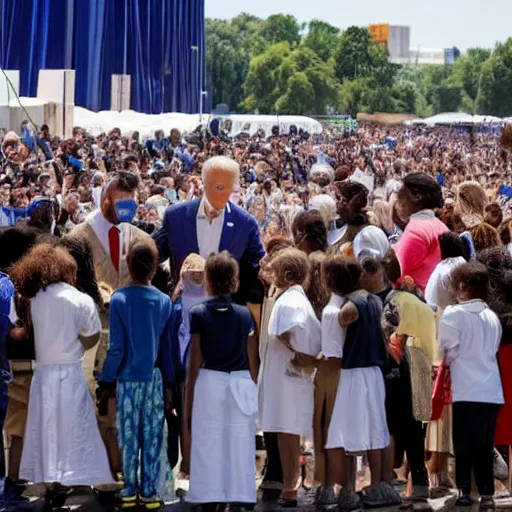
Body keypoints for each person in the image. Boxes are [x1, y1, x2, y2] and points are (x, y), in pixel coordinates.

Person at [67, 170, 154, 477]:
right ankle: (100, 470)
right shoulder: (78, 239)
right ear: (106, 200)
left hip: (132, 337)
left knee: (128, 405)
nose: (128, 207)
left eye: (132, 200)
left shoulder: (140, 239)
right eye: (121, 201)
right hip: (94, 334)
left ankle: (127, 469)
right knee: (98, 402)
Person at [8, 243, 113, 485]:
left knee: (47, 430)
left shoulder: (36, 300)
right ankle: (69, 478)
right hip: (69, 371)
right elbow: (93, 335)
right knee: (73, 428)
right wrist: (76, 343)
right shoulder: (80, 299)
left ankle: (49, 478)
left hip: (43, 374)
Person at [100, 239, 173, 509]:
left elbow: (116, 348)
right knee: (152, 434)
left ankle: (129, 489)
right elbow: (166, 347)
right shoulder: (164, 301)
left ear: (128, 266)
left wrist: (106, 378)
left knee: (129, 435)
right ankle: (150, 491)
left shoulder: (118, 299)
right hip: (154, 378)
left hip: (127, 380)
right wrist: (169, 385)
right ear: (154, 267)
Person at [184, 252, 259, 512]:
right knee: (239, 440)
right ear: (234, 281)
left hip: (210, 380)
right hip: (240, 381)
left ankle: (209, 494)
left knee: (208, 440)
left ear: (209, 281)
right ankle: (240, 494)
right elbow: (252, 359)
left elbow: (195, 360)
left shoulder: (198, 313)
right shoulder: (245, 314)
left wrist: (189, 397)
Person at [154, 156, 265, 310]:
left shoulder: (245, 223)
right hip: (183, 312)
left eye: (229, 187)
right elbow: (152, 256)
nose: (225, 193)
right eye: (219, 187)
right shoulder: (176, 216)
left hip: (224, 315)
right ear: (205, 183)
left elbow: (257, 266)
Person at [325, 258, 391, 510]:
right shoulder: (375, 300)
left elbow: (344, 319)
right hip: (373, 372)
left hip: (356, 371)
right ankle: (376, 485)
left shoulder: (355, 303)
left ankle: (351, 488)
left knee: (352, 428)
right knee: (374, 428)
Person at [258, 248, 321, 507]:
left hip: (287, 378)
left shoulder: (290, 301)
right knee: (286, 431)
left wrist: (292, 348)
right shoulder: (292, 297)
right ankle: (289, 485)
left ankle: (291, 486)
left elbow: (289, 328)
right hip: (286, 377)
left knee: (288, 431)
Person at [439, 262, 503, 509]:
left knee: (463, 443)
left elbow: (448, 350)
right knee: (485, 445)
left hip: (466, 388)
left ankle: (465, 490)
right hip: (491, 391)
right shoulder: (491, 316)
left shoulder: (454, 315)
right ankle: (487, 494)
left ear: (463, 286)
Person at [394, 172, 447, 291]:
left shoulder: (415, 231)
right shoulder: (440, 226)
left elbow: (396, 273)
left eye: (400, 196)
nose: (397, 201)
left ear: (417, 196)